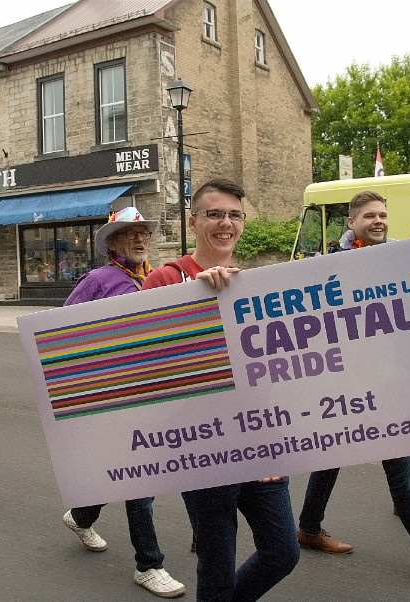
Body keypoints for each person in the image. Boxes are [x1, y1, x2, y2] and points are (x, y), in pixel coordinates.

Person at [296, 191, 410, 581]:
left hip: (384, 383)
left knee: (392, 464)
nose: (378, 221)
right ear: (351, 223)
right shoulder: (332, 265)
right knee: (335, 461)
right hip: (345, 384)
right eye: (369, 216)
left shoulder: (398, 258)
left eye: (383, 215)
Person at [143, 178, 300, 601]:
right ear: (193, 222)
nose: (224, 223)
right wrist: (196, 299)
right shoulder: (164, 280)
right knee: (216, 560)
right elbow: (150, 365)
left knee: (282, 552)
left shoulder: (254, 287)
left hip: (258, 440)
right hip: (203, 445)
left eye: (234, 214)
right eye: (214, 214)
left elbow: (266, 371)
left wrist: (271, 440)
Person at [59, 206, 185, 599]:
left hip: (149, 391)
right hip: (112, 393)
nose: (140, 238)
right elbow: (63, 331)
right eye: (131, 233)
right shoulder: (98, 279)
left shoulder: (153, 279)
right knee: (140, 479)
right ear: (112, 242)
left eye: (144, 232)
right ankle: (149, 564)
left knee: (124, 470)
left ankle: (81, 516)